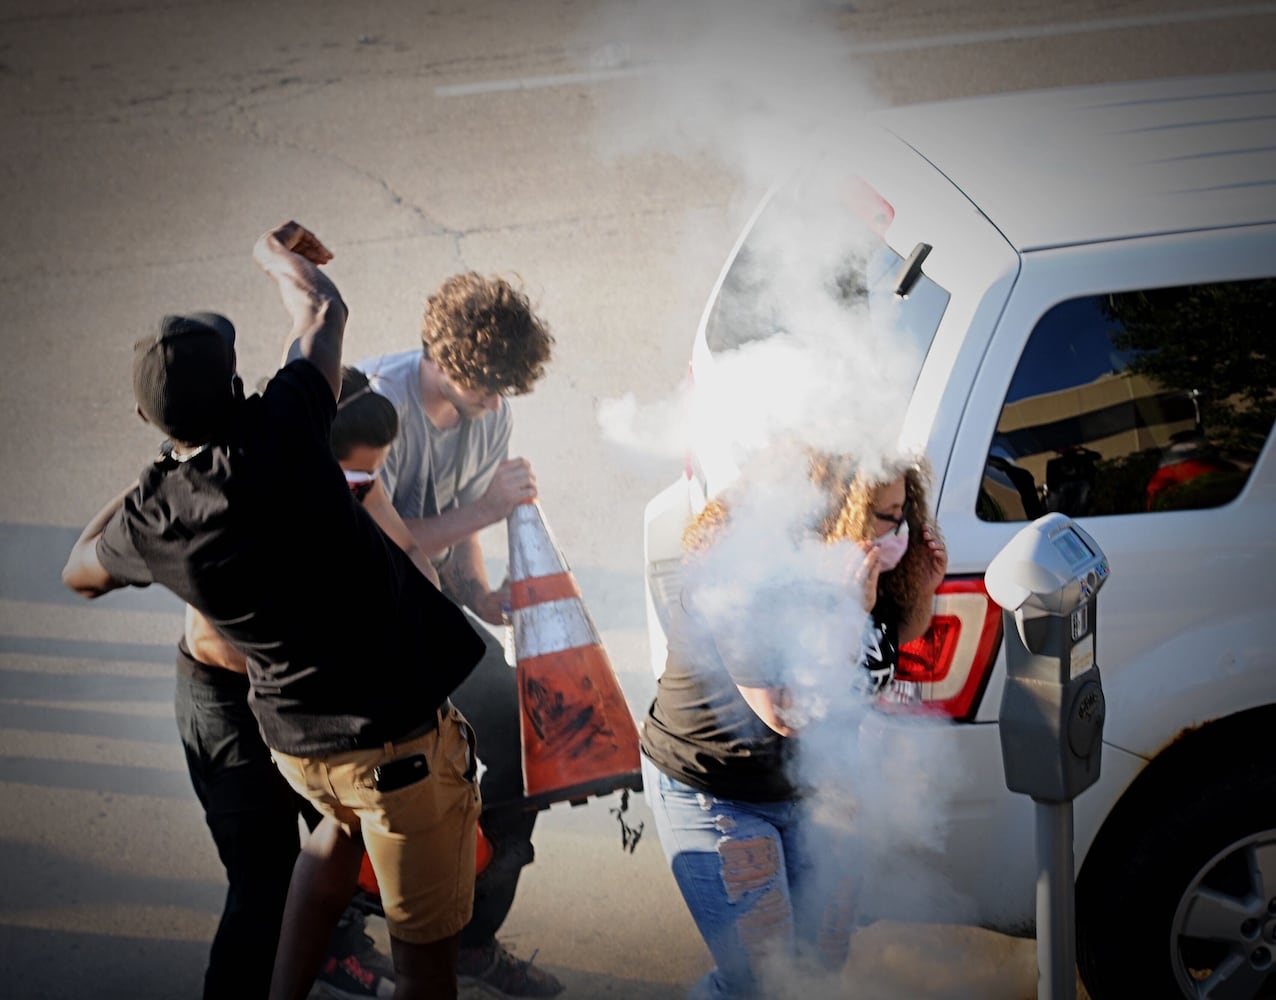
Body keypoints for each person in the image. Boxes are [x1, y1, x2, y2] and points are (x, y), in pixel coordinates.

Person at [62, 220, 488, 1000]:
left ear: (149, 421)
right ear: (234, 387)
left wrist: (158, 470)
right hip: (391, 743)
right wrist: (274, 253)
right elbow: (322, 310)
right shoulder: (289, 424)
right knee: (427, 963)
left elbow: (78, 571)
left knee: (333, 833)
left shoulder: (156, 519)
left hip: (297, 746)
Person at [638, 451, 948, 999]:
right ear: (834, 512)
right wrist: (849, 612)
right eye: (884, 515)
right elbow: (786, 714)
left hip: (804, 793)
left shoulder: (861, 567)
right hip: (718, 791)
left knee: (817, 967)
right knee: (759, 984)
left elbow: (887, 645)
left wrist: (922, 586)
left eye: (903, 513)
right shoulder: (740, 574)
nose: (897, 530)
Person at [175, 365, 441, 1000]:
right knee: (263, 889)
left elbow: (418, 576)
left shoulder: (349, 483)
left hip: (309, 696)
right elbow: (222, 637)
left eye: (370, 476)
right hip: (235, 705)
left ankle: (332, 951)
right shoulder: (239, 493)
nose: (363, 489)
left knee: (348, 837)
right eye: (351, 477)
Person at [356, 272, 562, 997]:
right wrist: (486, 512)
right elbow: (374, 549)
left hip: (436, 616)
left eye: (507, 388)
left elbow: (458, 517)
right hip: (366, 629)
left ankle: (474, 939)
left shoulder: (490, 407)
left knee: (522, 746)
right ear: (441, 360)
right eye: (485, 388)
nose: (497, 403)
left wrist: (482, 595)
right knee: (379, 784)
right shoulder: (376, 406)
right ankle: (339, 929)